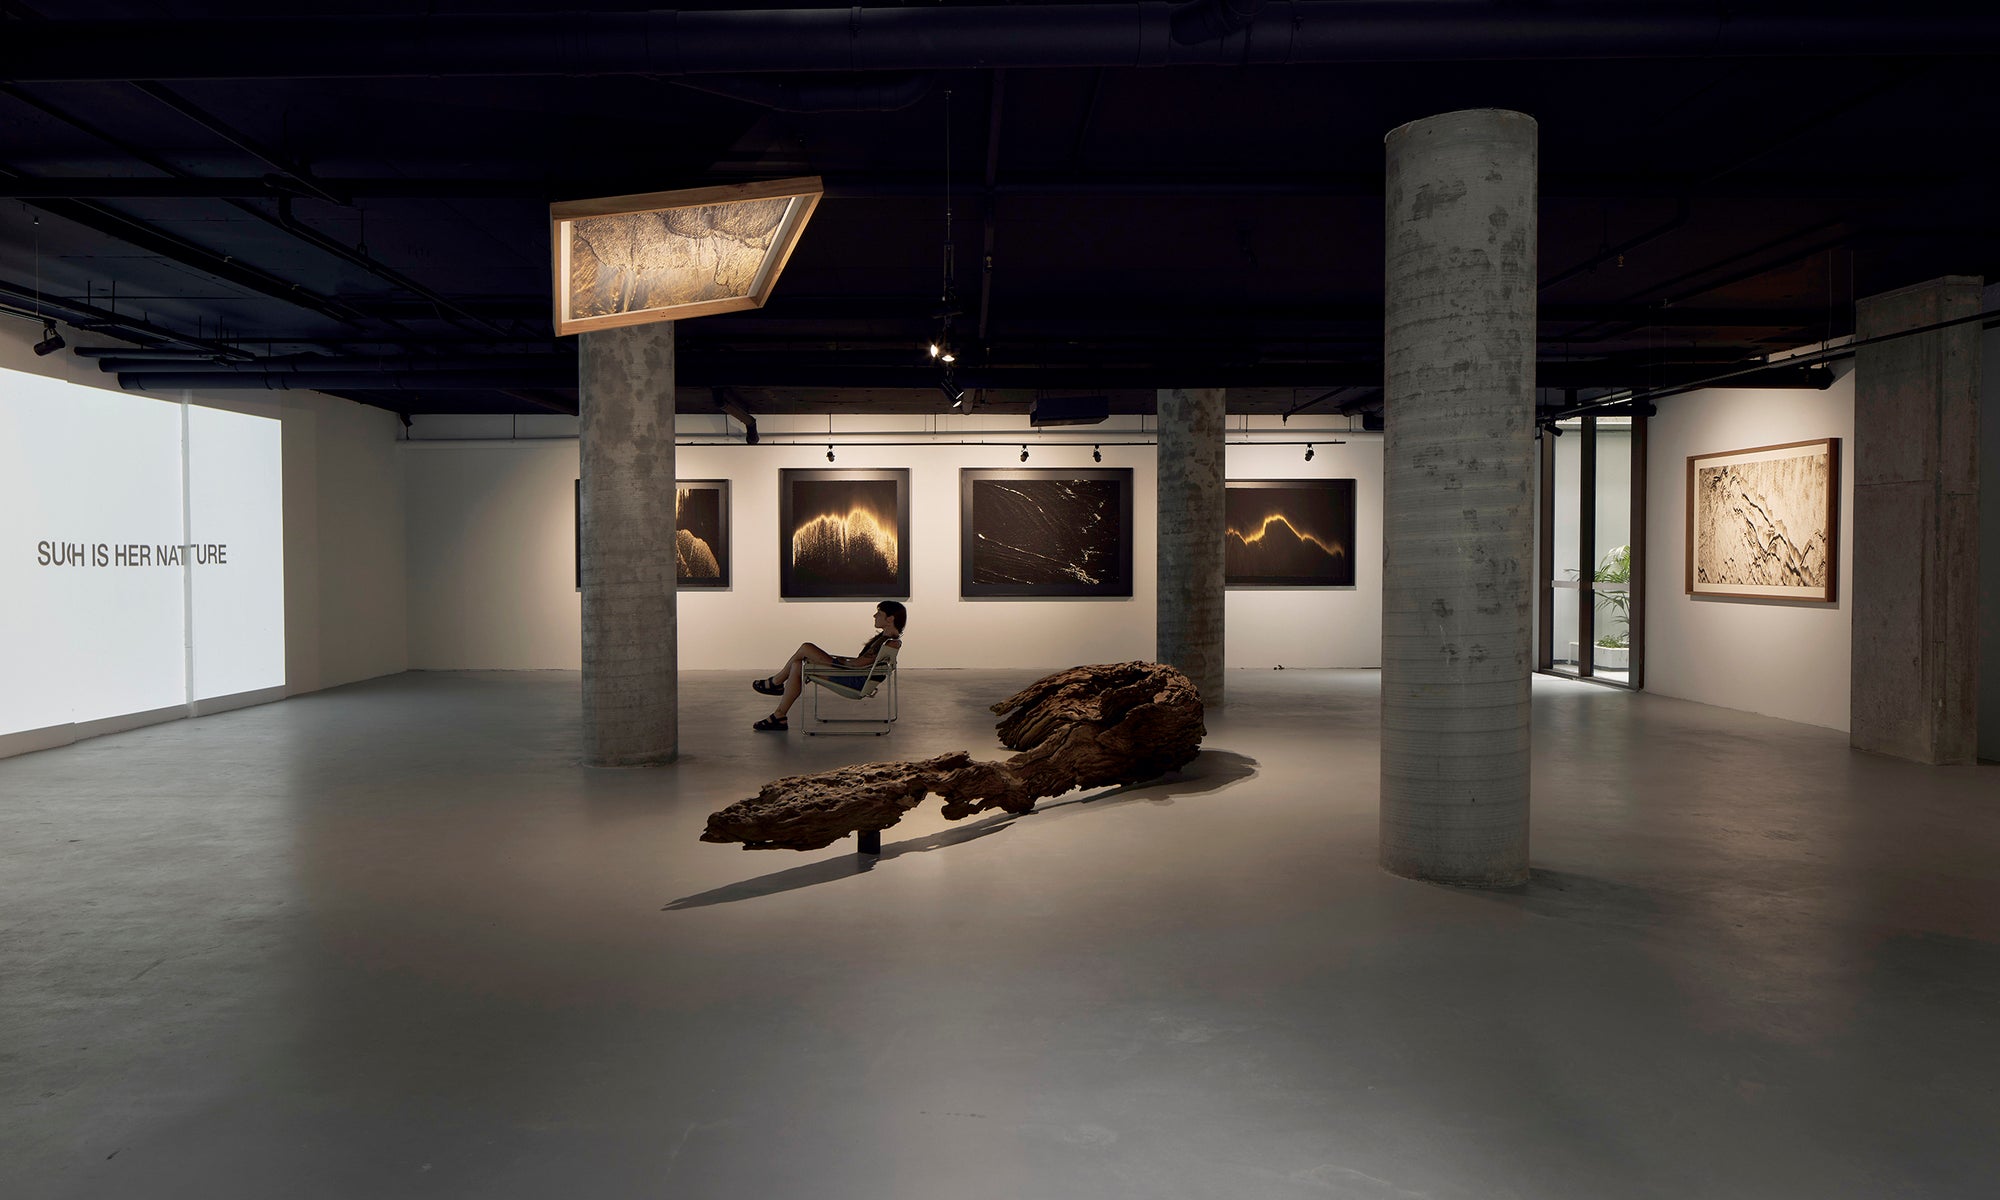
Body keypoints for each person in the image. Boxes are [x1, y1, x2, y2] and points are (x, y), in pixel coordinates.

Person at [751, 601, 906, 732]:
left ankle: (776, 683)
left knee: (806, 647)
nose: (874, 616)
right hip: (852, 674)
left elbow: (861, 663)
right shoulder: (886, 640)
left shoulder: (889, 643)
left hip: (852, 678)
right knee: (798, 665)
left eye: (879, 613)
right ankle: (779, 715)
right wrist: (842, 661)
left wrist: (841, 662)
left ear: (890, 619)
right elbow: (866, 663)